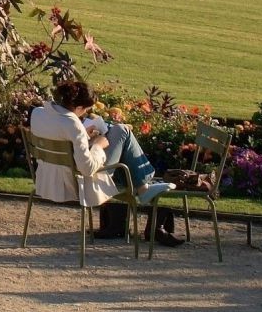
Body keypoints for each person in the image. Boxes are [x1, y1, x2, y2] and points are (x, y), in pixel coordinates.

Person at [29, 78, 180, 244]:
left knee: (118, 134)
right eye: (85, 111)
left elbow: (59, 136)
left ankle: (143, 187)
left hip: (47, 178)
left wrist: (85, 139)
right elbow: (87, 169)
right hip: (77, 183)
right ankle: (143, 187)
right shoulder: (73, 124)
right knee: (122, 131)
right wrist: (98, 146)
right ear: (78, 107)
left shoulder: (38, 113)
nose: (83, 115)